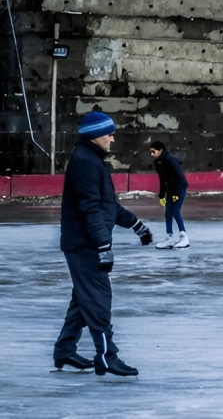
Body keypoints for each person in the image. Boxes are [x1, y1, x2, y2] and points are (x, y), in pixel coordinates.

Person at [53, 111, 152, 377]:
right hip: (84, 244)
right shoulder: (85, 163)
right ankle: (107, 356)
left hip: (85, 242)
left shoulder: (92, 160)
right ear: (95, 135)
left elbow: (107, 206)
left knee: (84, 299)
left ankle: (64, 349)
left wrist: (135, 224)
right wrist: (102, 246)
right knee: (98, 297)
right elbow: (90, 209)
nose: (112, 137)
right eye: (109, 133)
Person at [150, 141, 190, 249]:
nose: (152, 154)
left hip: (179, 188)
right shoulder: (158, 162)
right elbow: (162, 179)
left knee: (175, 211)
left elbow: (180, 177)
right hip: (170, 189)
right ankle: (169, 237)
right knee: (168, 212)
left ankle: (184, 237)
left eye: (153, 151)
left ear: (160, 150)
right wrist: (162, 195)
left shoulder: (170, 160)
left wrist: (176, 193)